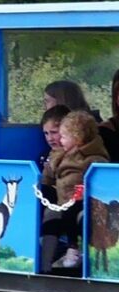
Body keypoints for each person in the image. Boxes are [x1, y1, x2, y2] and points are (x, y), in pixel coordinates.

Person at [43, 110, 111, 273]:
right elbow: (48, 178)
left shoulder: (94, 158)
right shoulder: (58, 156)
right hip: (63, 202)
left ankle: (75, 250)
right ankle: (45, 263)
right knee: (51, 215)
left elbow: (102, 183)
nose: (60, 140)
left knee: (77, 214)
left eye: (63, 137)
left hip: (83, 202)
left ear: (77, 138)